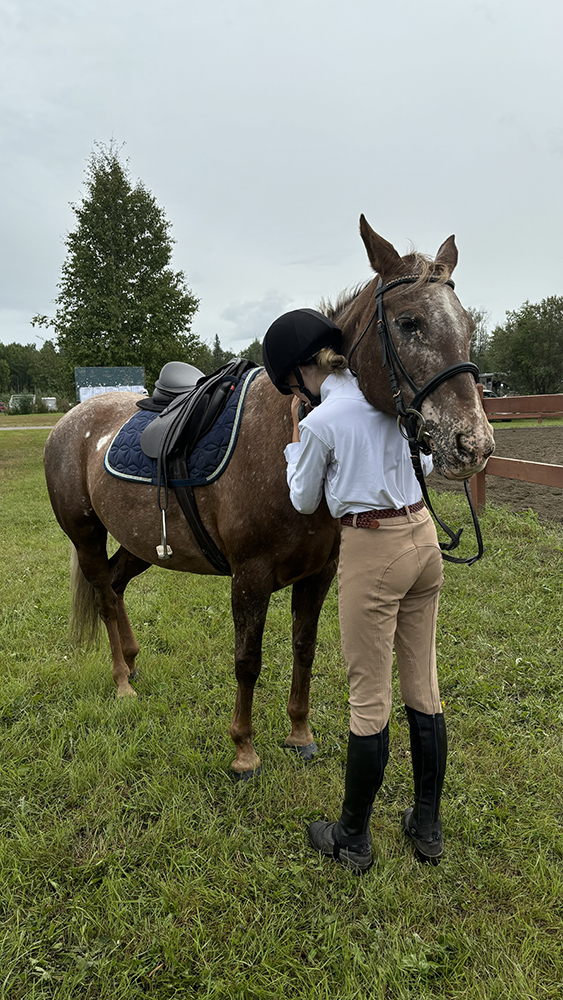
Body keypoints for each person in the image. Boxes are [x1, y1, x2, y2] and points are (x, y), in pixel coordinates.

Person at [262, 308, 447, 872]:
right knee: (424, 687)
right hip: (424, 541)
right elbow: (430, 465)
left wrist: (297, 436)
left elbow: (301, 499)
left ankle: (352, 838)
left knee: (369, 699)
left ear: (297, 375)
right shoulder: (387, 398)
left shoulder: (322, 422)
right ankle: (427, 825)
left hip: (373, 549)